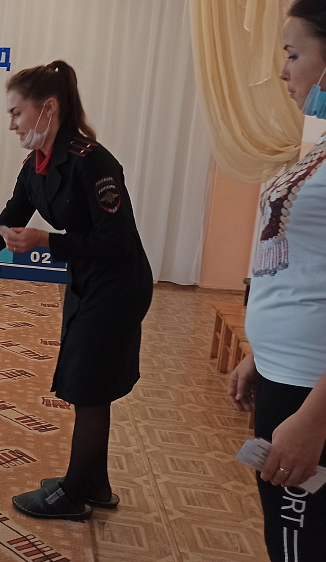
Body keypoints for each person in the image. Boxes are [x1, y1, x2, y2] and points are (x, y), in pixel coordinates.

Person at [0, 60, 153, 521]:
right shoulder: (35, 167)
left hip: (118, 284)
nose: (12, 124)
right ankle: (94, 484)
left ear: (47, 109)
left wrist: (46, 241)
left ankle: (73, 495)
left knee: (89, 388)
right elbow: (3, 226)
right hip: (89, 279)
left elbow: (116, 244)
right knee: (89, 381)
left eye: (17, 112)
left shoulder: (93, 162)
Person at [228, 2, 326, 559]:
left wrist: (314, 417)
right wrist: (259, 355)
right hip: (285, 377)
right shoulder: (319, 143)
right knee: (285, 536)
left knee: (300, 544)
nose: (284, 71)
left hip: (312, 392)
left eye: (293, 54)